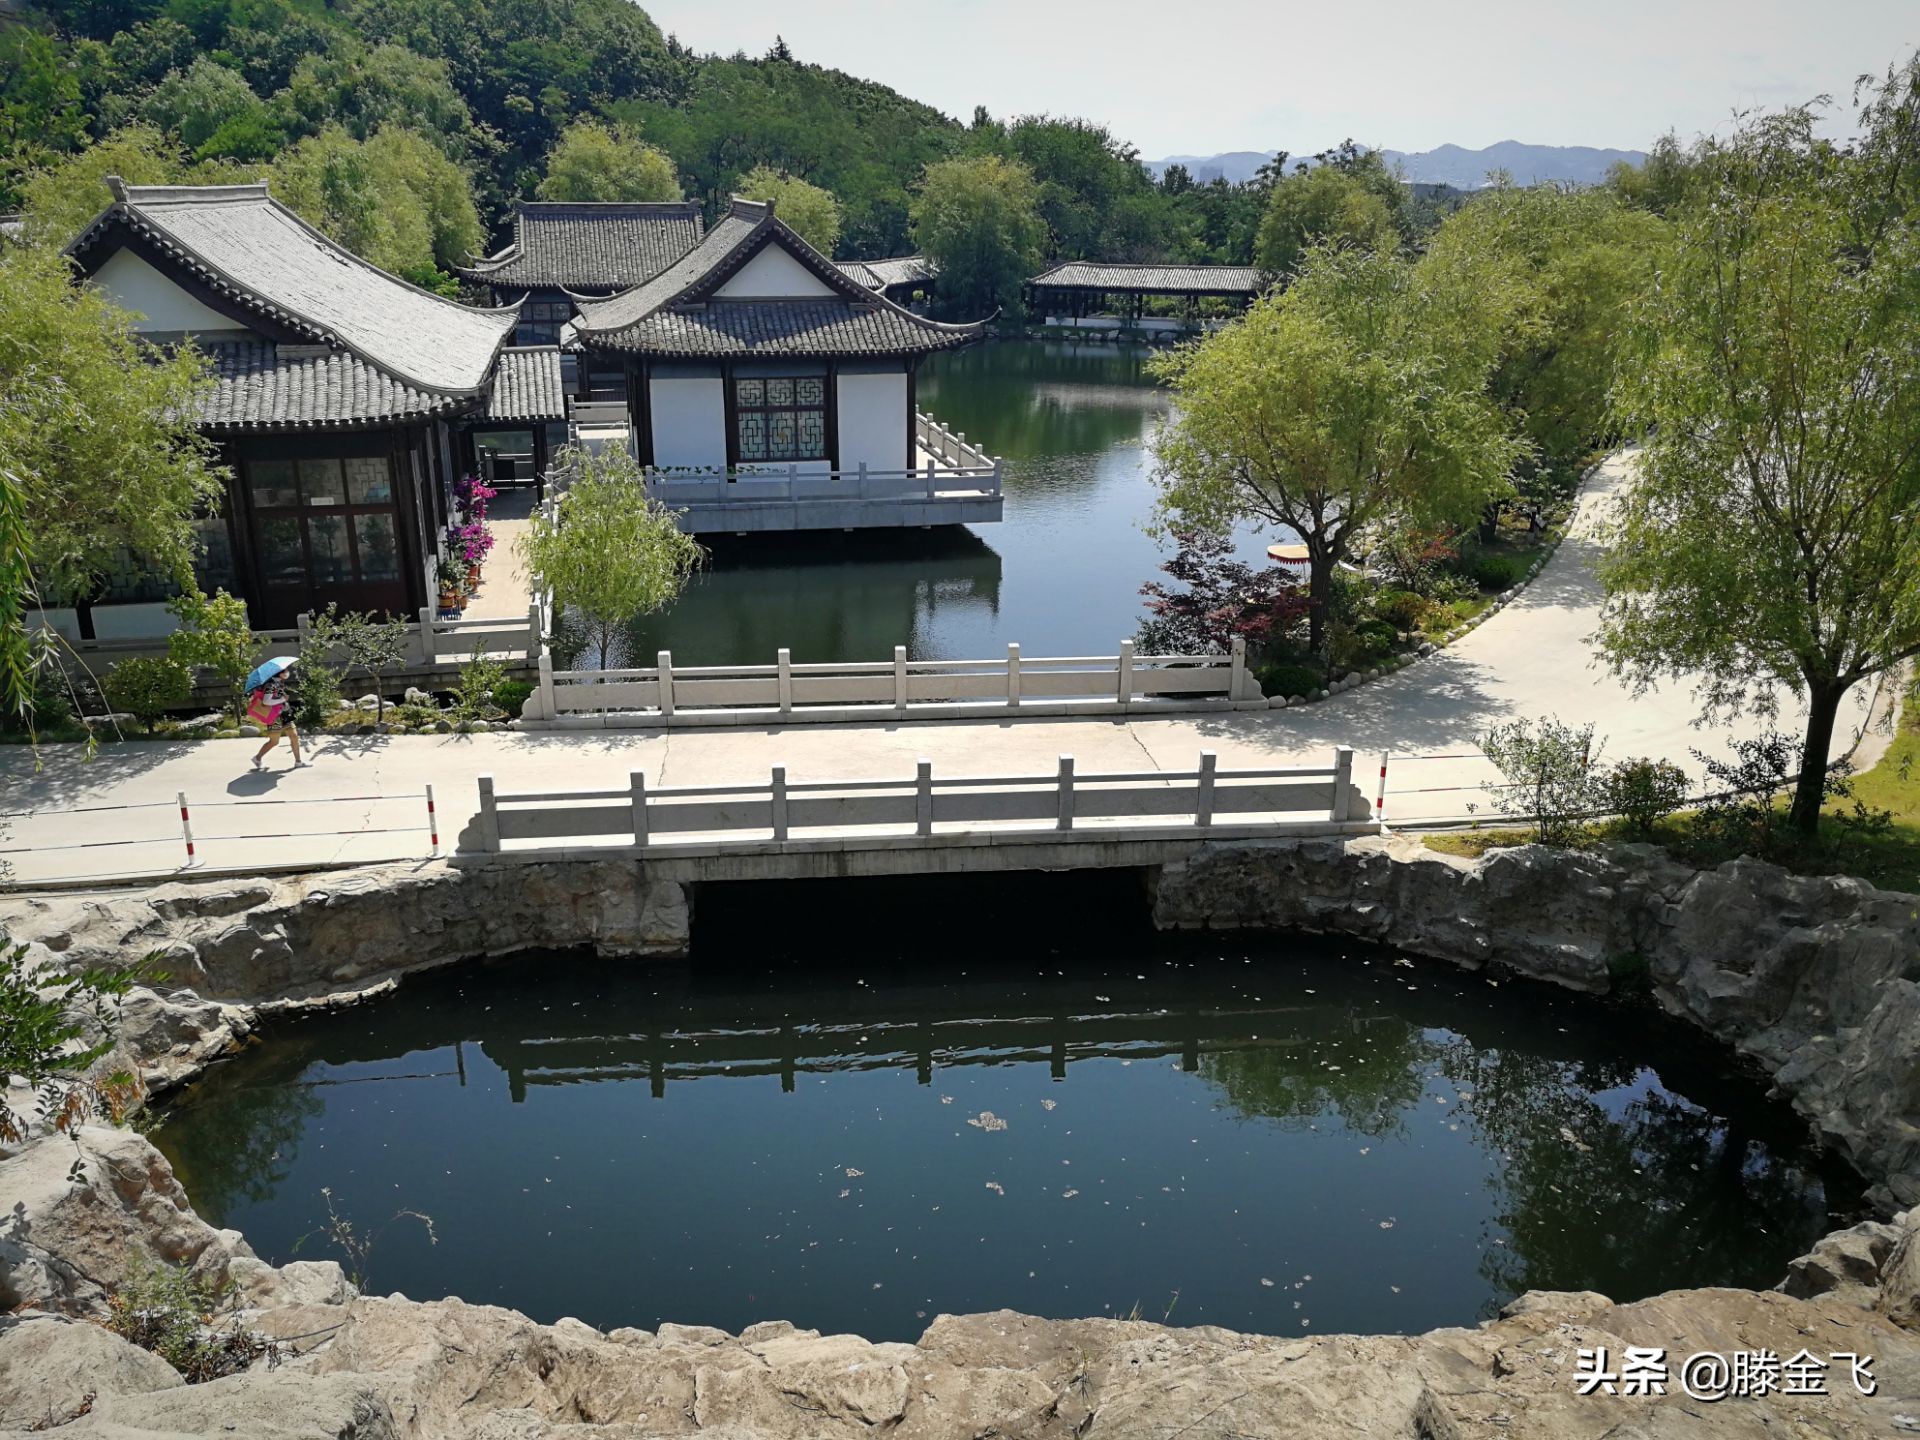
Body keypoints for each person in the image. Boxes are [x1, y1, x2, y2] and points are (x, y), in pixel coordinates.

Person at [247, 678, 305, 769]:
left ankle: (298, 761)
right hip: (275, 718)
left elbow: (279, 696)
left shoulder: (277, 684)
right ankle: (257, 758)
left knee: (294, 736)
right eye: (283, 671)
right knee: (274, 741)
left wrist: (284, 696)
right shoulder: (270, 685)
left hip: (285, 715)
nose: (286, 673)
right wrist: (282, 699)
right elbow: (266, 701)